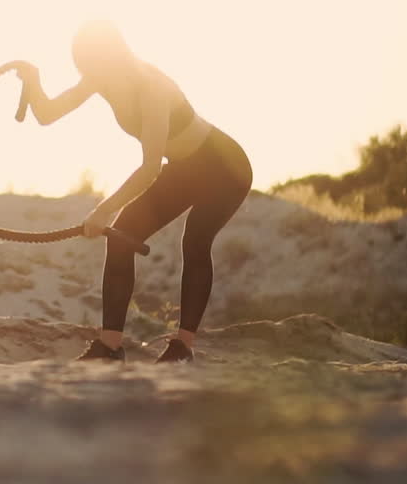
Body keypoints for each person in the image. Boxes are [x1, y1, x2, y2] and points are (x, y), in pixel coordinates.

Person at [14, 21, 253, 363]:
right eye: (82, 64)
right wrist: (34, 81)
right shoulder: (99, 79)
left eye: (90, 62)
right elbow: (48, 114)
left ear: (112, 55)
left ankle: (183, 347)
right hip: (186, 168)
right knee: (123, 235)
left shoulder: (151, 87)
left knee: (196, 240)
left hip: (224, 167)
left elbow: (151, 167)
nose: (86, 71)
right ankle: (110, 346)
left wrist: (103, 210)